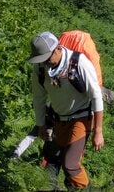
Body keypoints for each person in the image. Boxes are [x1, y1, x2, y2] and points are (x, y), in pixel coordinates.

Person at [29, 31, 105, 191]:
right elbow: (38, 98)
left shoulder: (78, 62)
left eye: (47, 58)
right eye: (41, 59)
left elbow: (96, 96)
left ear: (58, 48)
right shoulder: (40, 69)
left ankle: (87, 189)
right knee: (52, 157)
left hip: (81, 118)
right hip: (58, 119)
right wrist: (41, 124)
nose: (45, 63)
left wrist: (98, 131)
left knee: (70, 164)